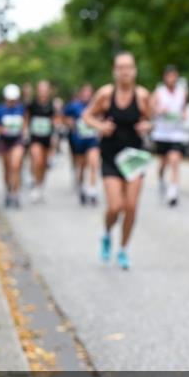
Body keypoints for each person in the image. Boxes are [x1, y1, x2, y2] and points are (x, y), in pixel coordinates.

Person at [82, 51, 153, 270]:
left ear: (135, 70)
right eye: (121, 67)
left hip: (134, 159)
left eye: (128, 67)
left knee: (130, 206)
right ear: (114, 71)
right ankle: (106, 234)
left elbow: (152, 120)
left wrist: (147, 126)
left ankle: (123, 249)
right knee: (115, 206)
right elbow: (87, 116)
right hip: (111, 157)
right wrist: (100, 126)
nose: (125, 72)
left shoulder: (142, 96)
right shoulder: (106, 94)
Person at [151, 65, 188, 206]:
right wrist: (159, 110)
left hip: (176, 133)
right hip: (161, 133)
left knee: (174, 160)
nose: (172, 79)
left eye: (174, 76)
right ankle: (161, 180)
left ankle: (173, 192)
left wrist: (184, 114)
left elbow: (185, 108)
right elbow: (150, 108)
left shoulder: (182, 92)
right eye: (169, 76)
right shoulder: (159, 92)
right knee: (163, 163)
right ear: (165, 77)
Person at [63, 83, 101, 205]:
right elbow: (64, 117)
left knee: (94, 163)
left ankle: (92, 190)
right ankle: (81, 186)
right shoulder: (74, 106)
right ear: (80, 94)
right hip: (78, 140)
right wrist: (70, 123)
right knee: (81, 166)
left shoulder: (96, 105)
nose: (87, 95)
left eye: (89, 92)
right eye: (85, 92)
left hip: (92, 139)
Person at [0, 83, 27, 208]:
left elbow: (25, 121)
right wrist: (1, 130)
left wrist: (24, 130)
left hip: (17, 141)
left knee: (15, 166)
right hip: (4, 142)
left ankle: (15, 194)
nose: (11, 101)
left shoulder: (21, 108)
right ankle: (8, 190)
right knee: (7, 168)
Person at [26, 80, 59, 203]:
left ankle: (40, 185)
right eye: (41, 90)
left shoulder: (52, 105)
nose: (43, 92)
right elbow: (26, 118)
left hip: (47, 137)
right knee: (37, 160)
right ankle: (35, 183)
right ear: (37, 91)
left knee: (44, 164)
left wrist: (55, 134)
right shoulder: (32, 104)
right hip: (35, 137)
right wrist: (25, 132)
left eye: (45, 90)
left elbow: (55, 120)